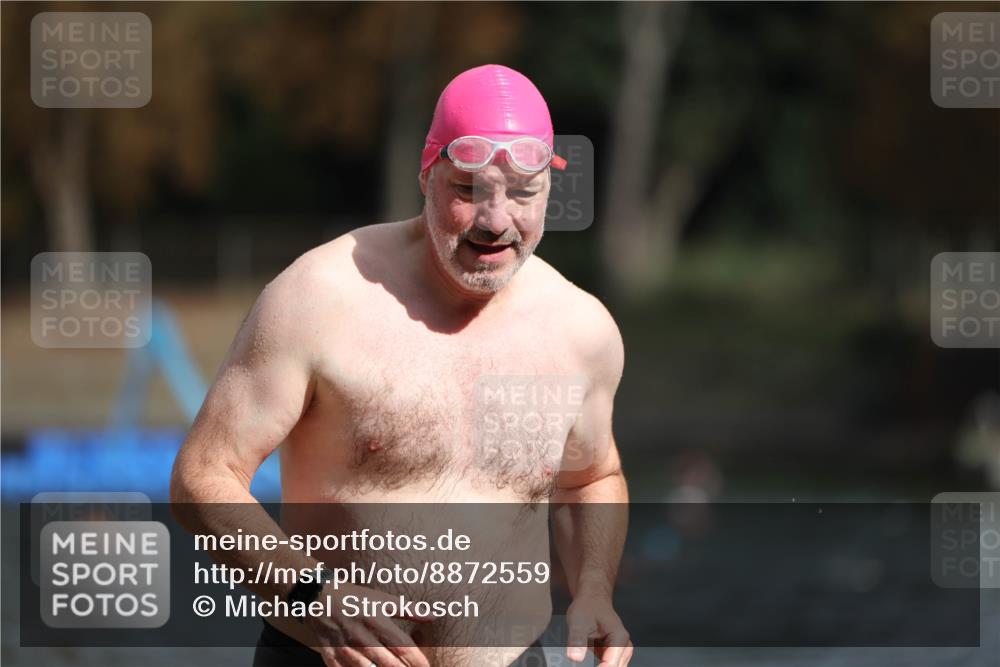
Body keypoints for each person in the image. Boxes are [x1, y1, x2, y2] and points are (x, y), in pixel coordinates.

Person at [171, 64, 632, 667]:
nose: (495, 220)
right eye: (467, 189)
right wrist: (308, 591)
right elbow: (202, 477)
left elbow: (591, 478)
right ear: (426, 174)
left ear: (550, 188)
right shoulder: (320, 298)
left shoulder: (582, 330)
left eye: (522, 192)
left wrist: (594, 589)